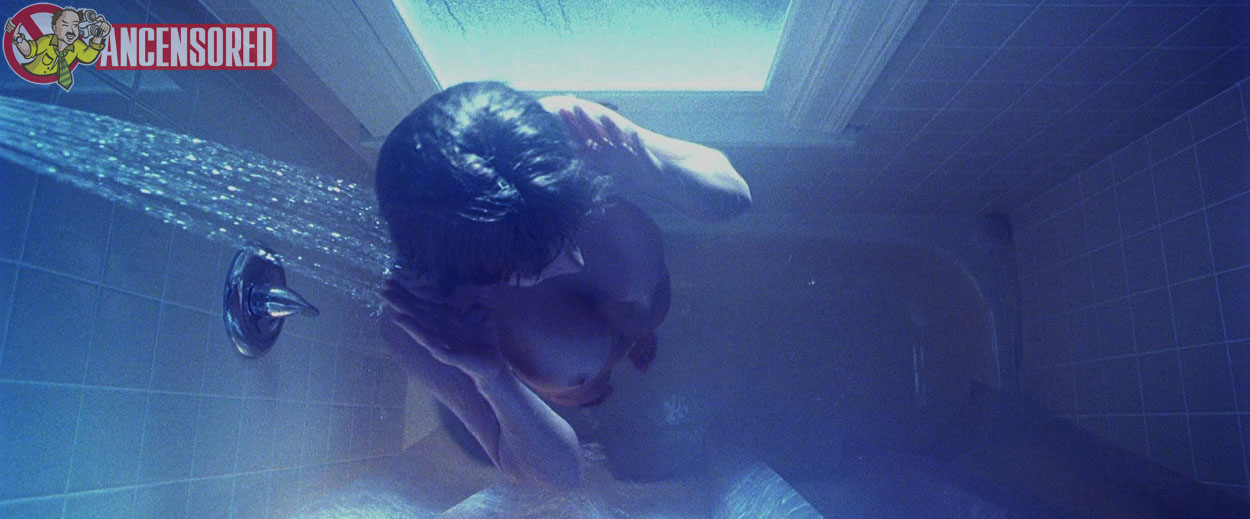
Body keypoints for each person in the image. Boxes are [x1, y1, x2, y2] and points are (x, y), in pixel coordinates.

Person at [374, 81, 751, 490]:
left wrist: (652, 172)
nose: (577, 260)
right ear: (474, 276)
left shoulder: (559, 134)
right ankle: (580, 378)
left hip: (634, 320)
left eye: (572, 226)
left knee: (632, 322)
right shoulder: (423, 312)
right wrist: (494, 378)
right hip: (572, 388)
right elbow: (562, 478)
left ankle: (635, 338)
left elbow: (736, 195)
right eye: (536, 265)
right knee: (579, 380)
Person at [5, 7, 111, 91]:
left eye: (75, 26)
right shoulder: (47, 41)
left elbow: (88, 56)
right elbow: (29, 51)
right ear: (55, 29)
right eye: (65, 25)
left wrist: (99, 35)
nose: (71, 31)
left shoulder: (77, 46)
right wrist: (18, 38)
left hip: (48, 87)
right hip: (26, 82)